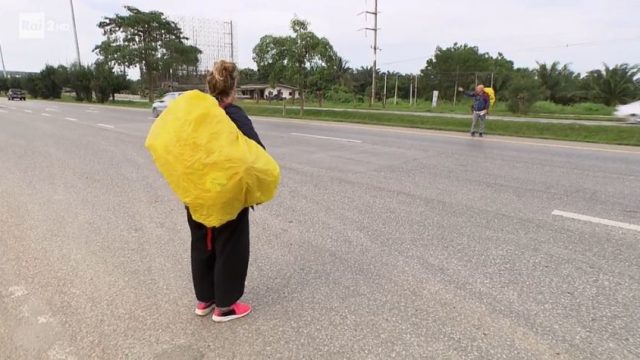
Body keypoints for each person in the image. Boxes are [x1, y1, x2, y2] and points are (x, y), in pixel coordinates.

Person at [187, 60, 265, 323]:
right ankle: (225, 306)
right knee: (230, 245)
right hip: (226, 194)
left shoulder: (197, 114)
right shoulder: (233, 114)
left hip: (196, 190)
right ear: (234, 87)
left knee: (203, 242)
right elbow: (257, 153)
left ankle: (205, 299)